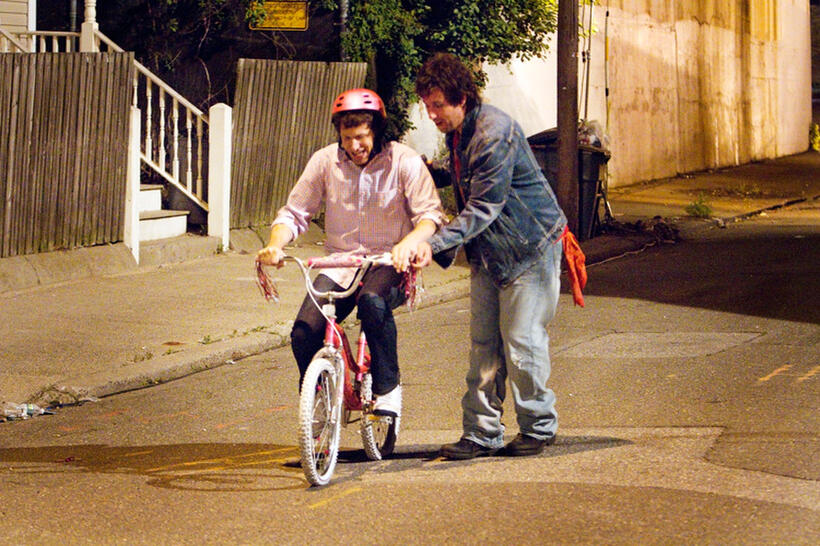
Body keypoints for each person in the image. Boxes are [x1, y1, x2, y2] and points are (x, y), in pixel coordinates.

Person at [414, 52, 569, 459]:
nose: (431, 114)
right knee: (484, 345)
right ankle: (482, 432)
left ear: (462, 97)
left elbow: (485, 205)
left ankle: (538, 426)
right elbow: (468, 179)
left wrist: (428, 245)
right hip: (489, 250)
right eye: (427, 106)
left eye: (437, 105)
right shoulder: (460, 132)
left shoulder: (493, 131)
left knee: (521, 342)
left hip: (529, 247)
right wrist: (429, 171)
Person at [255, 88, 445, 418]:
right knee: (304, 332)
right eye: (347, 138)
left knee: (373, 303)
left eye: (360, 137)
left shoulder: (405, 161)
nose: (353, 146)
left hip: (389, 261)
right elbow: (294, 212)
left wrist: (409, 243)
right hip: (341, 263)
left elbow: (429, 216)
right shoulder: (325, 161)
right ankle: (318, 399)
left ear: (377, 131)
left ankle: (387, 389)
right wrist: (275, 244)